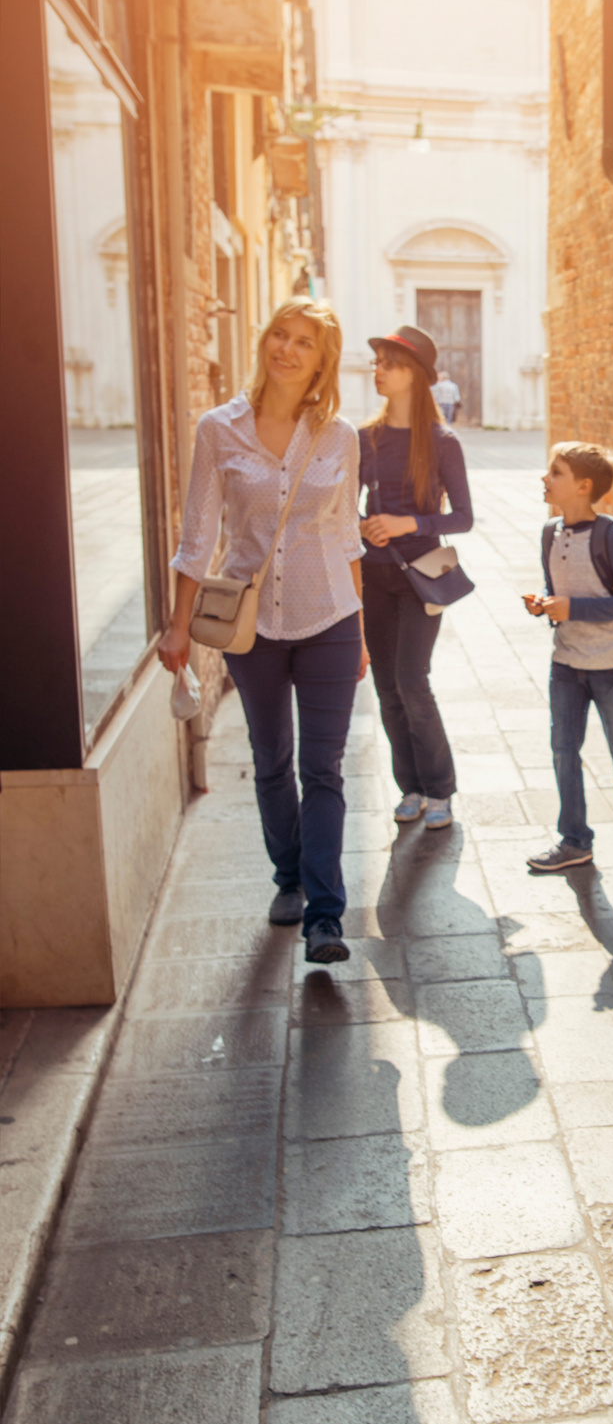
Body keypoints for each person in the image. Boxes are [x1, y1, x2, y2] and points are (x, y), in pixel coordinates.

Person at [158, 299, 367, 965]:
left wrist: (359, 629)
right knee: (272, 758)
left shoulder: (340, 436)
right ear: (263, 341)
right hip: (251, 626)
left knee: (323, 767)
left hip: (329, 617)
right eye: (279, 333)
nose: (287, 348)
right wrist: (177, 626)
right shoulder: (219, 429)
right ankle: (288, 878)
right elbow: (199, 533)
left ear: (321, 359)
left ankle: (326, 916)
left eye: (304, 341)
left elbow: (345, 535)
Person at [359, 325, 473, 830]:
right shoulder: (366, 438)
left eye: (390, 363)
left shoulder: (442, 442)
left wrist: (411, 523)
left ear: (415, 376)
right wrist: (361, 525)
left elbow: (464, 518)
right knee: (386, 687)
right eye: (378, 362)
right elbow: (343, 506)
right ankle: (409, 786)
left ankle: (440, 789)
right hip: (373, 574)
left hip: (423, 576)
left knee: (412, 679)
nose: (378, 370)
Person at [522, 441, 613, 871]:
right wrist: (543, 602)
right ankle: (575, 839)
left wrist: (573, 608)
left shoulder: (611, 536)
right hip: (566, 661)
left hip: (611, 663)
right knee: (563, 749)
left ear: (583, 486)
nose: (545, 478)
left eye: (555, 472)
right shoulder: (549, 531)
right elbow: (554, 584)